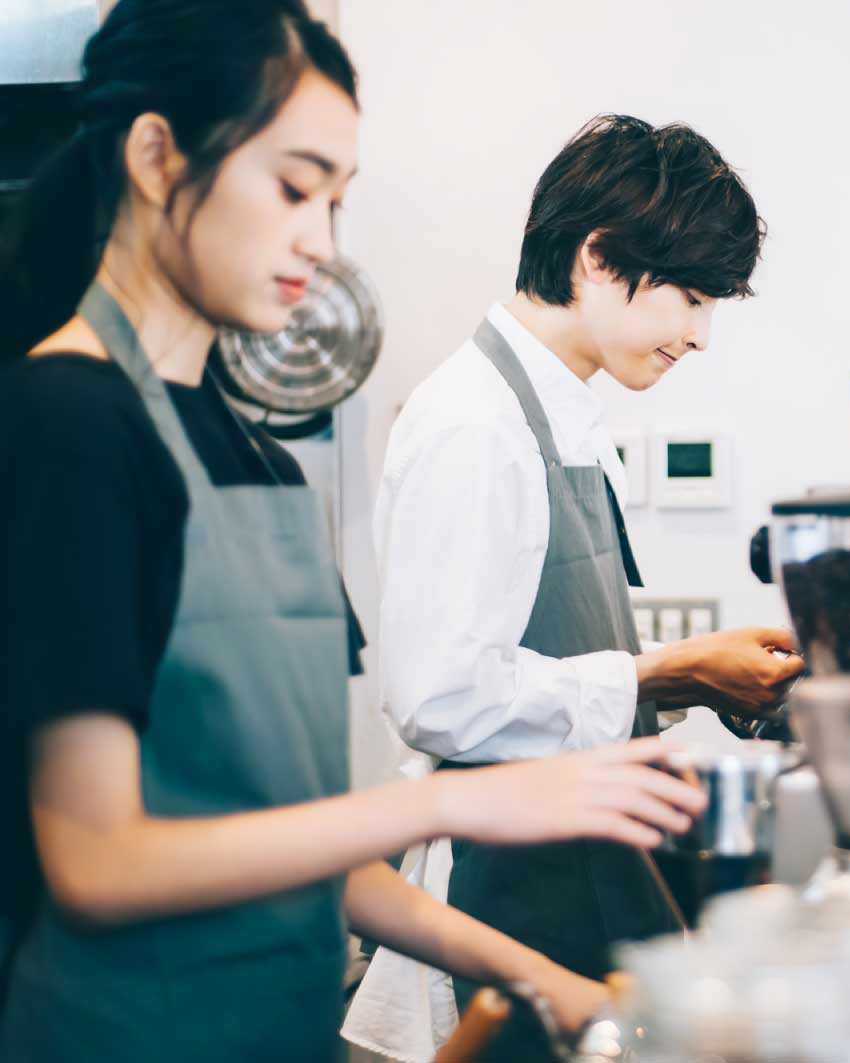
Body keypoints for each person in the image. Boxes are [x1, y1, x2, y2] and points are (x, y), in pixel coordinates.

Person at [0, 4, 704, 1061]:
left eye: (335, 200)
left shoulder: (255, 459)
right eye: (292, 188)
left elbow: (298, 836)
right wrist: (496, 798)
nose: (321, 243)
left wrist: (538, 978)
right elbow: (99, 861)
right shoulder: (70, 424)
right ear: (155, 156)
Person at [371, 114, 803, 1037]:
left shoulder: (561, 416)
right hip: (503, 890)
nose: (701, 334)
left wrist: (690, 673)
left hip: (573, 862)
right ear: (600, 260)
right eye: (691, 296)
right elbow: (441, 695)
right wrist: (668, 671)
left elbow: (542, 652)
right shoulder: (474, 428)